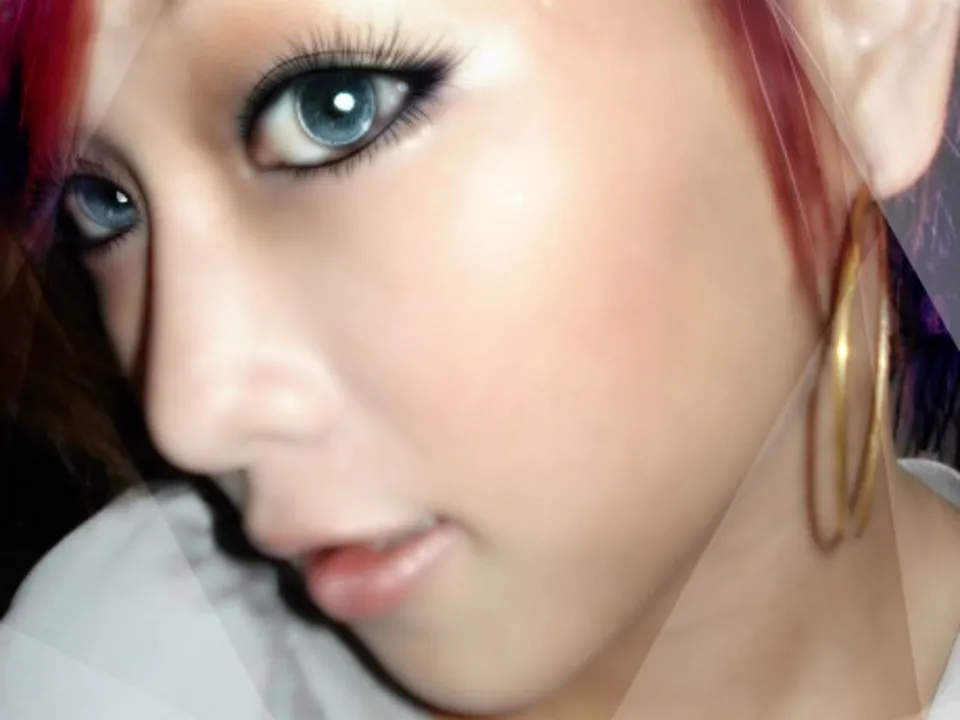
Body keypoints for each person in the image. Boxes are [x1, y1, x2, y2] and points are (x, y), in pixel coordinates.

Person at [3, 0, 960, 718]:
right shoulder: (118, 656)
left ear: (856, 36)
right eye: (100, 203)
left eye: (336, 106)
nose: (188, 416)